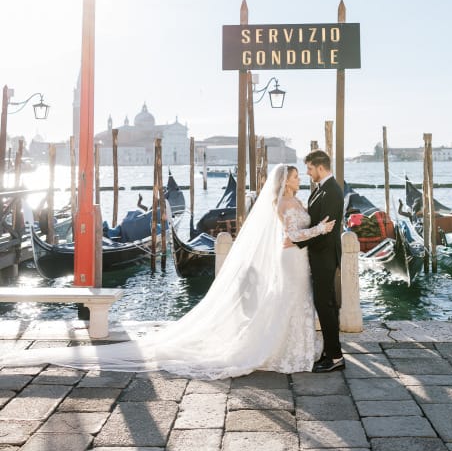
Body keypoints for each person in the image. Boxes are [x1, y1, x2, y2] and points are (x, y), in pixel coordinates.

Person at [0, 165, 335, 379]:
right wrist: (320, 230)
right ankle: (285, 351)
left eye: (297, 175)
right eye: (294, 175)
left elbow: (292, 234)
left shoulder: (299, 200)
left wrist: (314, 228)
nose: (298, 178)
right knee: (288, 302)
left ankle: (297, 349)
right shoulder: (281, 204)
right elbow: (290, 236)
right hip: (290, 258)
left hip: (296, 260)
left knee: (293, 303)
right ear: (284, 180)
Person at [297, 149, 345, 373]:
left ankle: (335, 357)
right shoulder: (321, 189)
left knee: (325, 305)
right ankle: (329, 351)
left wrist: (299, 243)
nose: (308, 173)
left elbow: (325, 230)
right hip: (319, 255)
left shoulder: (333, 191)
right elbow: (315, 222)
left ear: (320, 167)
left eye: (309, 168)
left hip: (325, 256)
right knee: (325, 305)